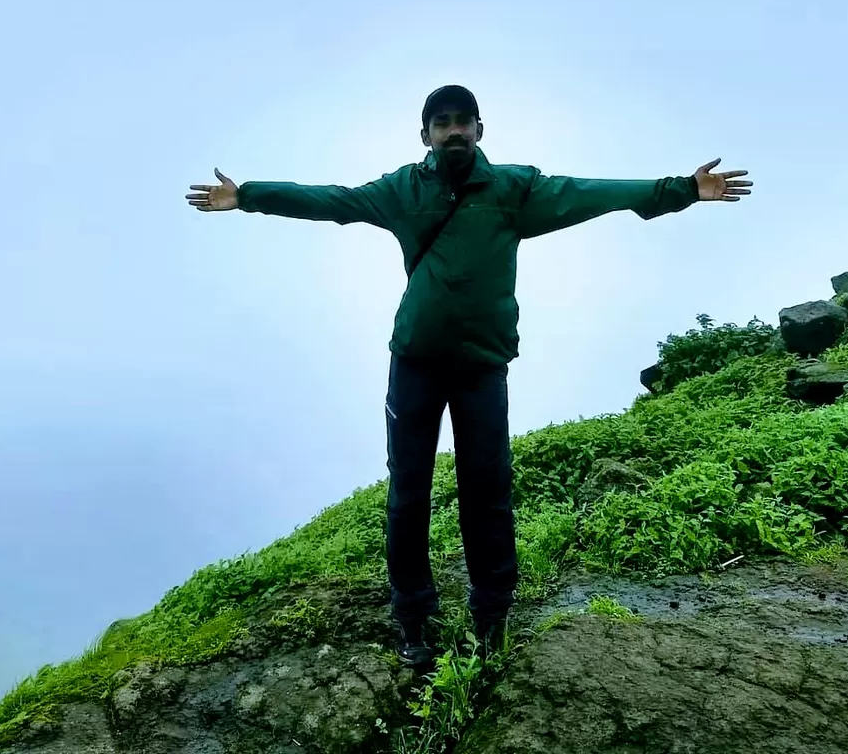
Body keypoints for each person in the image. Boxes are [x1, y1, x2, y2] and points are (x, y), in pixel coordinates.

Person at [184, 84, 753, 668]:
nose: (453, 130)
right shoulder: (403, 191)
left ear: (480, 129)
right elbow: (334, 200)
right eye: (442, 122)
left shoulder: (514, 189)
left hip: (482, 364)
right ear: (426, 133)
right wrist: (248, 195)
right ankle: (412, 615)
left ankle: (491, 612)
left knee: (488, 489)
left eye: (463, 121)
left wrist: (683, 190)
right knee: (409, 491)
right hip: (416, 362)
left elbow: (595, 193)